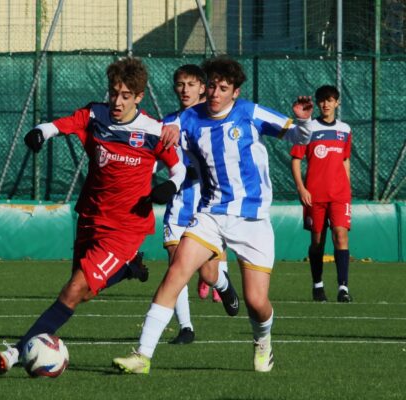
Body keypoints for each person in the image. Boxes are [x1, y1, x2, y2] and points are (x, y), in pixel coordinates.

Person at [113, 56, 314, 374]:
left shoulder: (249, 112)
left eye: (223, 88)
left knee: (256, 301)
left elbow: (298, 138)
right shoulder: (189, 118)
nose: (216, 93)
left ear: (235, 92)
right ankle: (142, 354)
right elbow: (162, 132)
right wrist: (160, 135)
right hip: (210, 213)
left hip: (252, 219)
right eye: (212, 86)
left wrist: (302, 121)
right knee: (176, 271)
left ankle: (263, 341)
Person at [0, 57, 186, 373]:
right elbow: (63, 124)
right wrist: (41, 132)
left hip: (125, 228)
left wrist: (169, 187)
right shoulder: (96, 115)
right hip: (91, 217)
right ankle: (127, 270)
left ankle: (15, 353)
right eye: (114, 92)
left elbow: (179, 170)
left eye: (125, 95)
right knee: (78, 292)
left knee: (73, 290)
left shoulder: (153, 131)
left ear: (139, 97)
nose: (117, 101)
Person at [161, 64, 226, 345]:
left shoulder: (214, 120)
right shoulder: (167, 122)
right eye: (180, 84)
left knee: (208, 273)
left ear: (203, 87)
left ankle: (223, 284)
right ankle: (186, 328)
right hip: (177, 208)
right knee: (176, 268)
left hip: (207, 209)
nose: (184, 90)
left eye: (190, 84)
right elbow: (155, 156)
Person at [290, 85, 353, 303]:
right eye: (322, 100)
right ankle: (318, 285)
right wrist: (301, 188)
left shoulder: (345, 129)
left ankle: (343, 288)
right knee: (317, 241)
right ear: (317, 103)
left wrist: (348, 189)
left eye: (330, 100)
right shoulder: (309, 128)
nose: (326, 104)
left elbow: (345, 160)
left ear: (337, 103)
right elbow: (296, 160)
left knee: (340, 236)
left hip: (339, 195)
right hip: (314, 195)